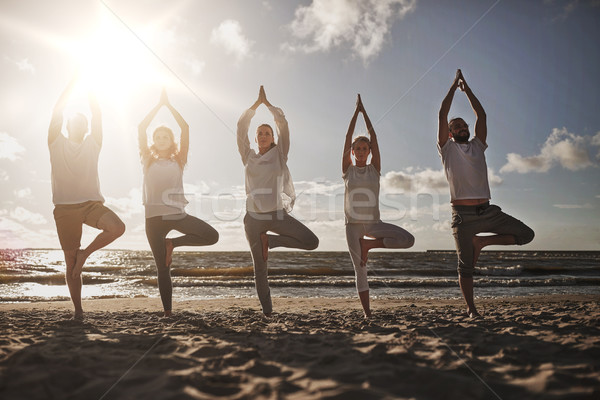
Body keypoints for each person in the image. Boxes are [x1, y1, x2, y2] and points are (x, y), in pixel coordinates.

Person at [438, 69, 535, 318]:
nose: (462, 127)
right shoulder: (447, 149)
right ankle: (472, 310)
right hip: (463, 216)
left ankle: (482, 241)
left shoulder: (478, 145)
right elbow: (442, 114)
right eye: (456, 126)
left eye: (463, 125)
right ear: (449, 133)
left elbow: (481, 114)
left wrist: (467, 88)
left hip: (488, 211)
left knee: (526, 234)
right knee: (466, 268)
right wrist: (452, 87)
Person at [48, 75, 126, 319]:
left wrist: (90, 88)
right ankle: (78, 311)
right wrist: (71, 86)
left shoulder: (94, 142)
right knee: (70, 262)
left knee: (117, 227)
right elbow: (56, 113)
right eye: (75, 122)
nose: (80, 124)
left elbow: (97, 115)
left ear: (86, 127)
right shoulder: (55, 142)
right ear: (69, 126)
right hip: (64, 209)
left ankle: (86, 254)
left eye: (83, 122)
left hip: (91, 204)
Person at [237, 85, 319, 317]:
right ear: (255, 138)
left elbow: (283, 125)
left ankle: (271, 242)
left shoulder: (279, 153)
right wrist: (254, 106)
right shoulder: (248, 156)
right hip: (253, 218)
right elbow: (240, 128)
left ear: (272, 138)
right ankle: (268, 313)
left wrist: (268, 105)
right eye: (260, 133)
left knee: (311, 241)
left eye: (267, 133)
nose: (263, 136)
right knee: (260, 269)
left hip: (276, 214)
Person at [138, 89, 219, 317]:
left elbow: (185, 128)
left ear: (171, 141)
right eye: (158, 137)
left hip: (176, 214)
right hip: (153, 219)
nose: (161, 139)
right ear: (153, 141)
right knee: (163, 269)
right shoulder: (146, 159)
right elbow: (141, 128)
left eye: (166, 137)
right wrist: (157, 106)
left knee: (212, 236)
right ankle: (168, 312)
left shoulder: (179, 160)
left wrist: (169, 106)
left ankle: (172, 243)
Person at [342, 94, 415, 318]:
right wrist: (356, 114)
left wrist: (366, 114)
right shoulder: (348, 170)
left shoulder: (375, 169)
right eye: (358, 148)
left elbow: (374, 136)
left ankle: (369, 246)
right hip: (353, 226)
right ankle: (367, 314)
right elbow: (346, 138)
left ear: (370, 151)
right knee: (360, 271)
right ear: (353, 152)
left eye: (365, 148)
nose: (362, 151)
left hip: (374, 225)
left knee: (408, 240)